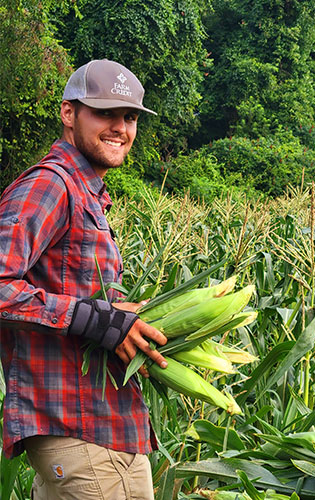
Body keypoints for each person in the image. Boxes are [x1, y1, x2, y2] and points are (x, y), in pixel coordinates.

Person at [0, 59, 168, 499]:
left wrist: (120, 320)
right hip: (77, 428)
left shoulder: (87, 193)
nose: (120, 127)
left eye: (129, 117)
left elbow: (79, 298)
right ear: (69, 114)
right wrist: (95, 320)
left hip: (107, 425)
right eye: (106, 113)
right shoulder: (50, 186)